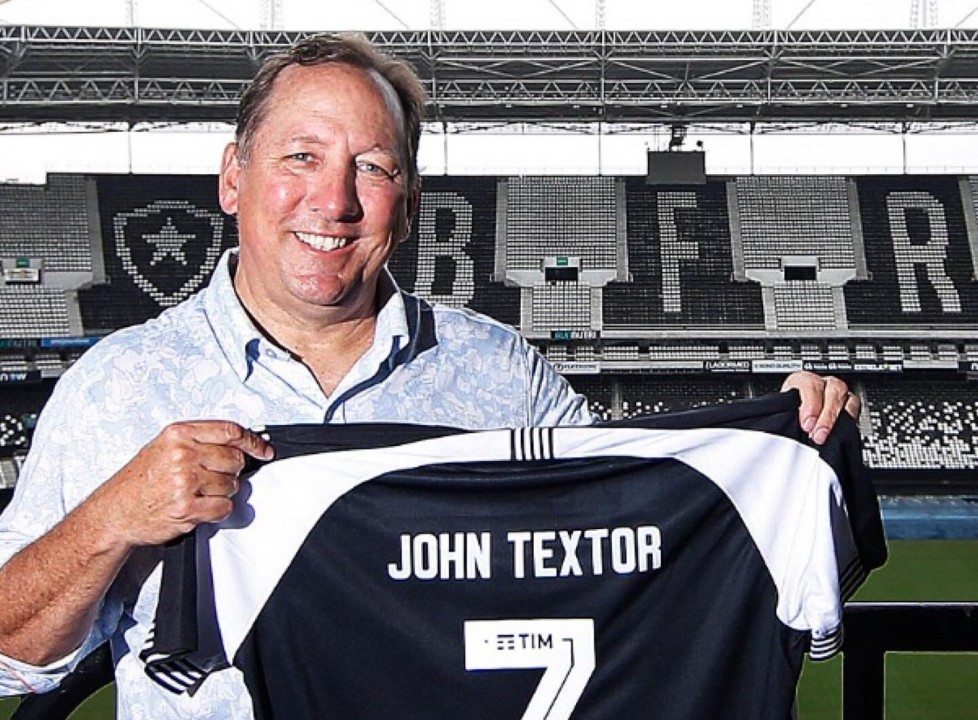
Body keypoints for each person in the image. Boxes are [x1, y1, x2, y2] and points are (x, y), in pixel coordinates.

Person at [0, 33, 856, 719]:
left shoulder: (501, 375)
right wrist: (110, 518)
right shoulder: (117, 386)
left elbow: (637, 525)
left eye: (373, 168)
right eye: (300, 156)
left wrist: (778, 443)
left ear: (408, 203)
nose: (334, 201)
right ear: (233, 178)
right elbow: (11, 667)